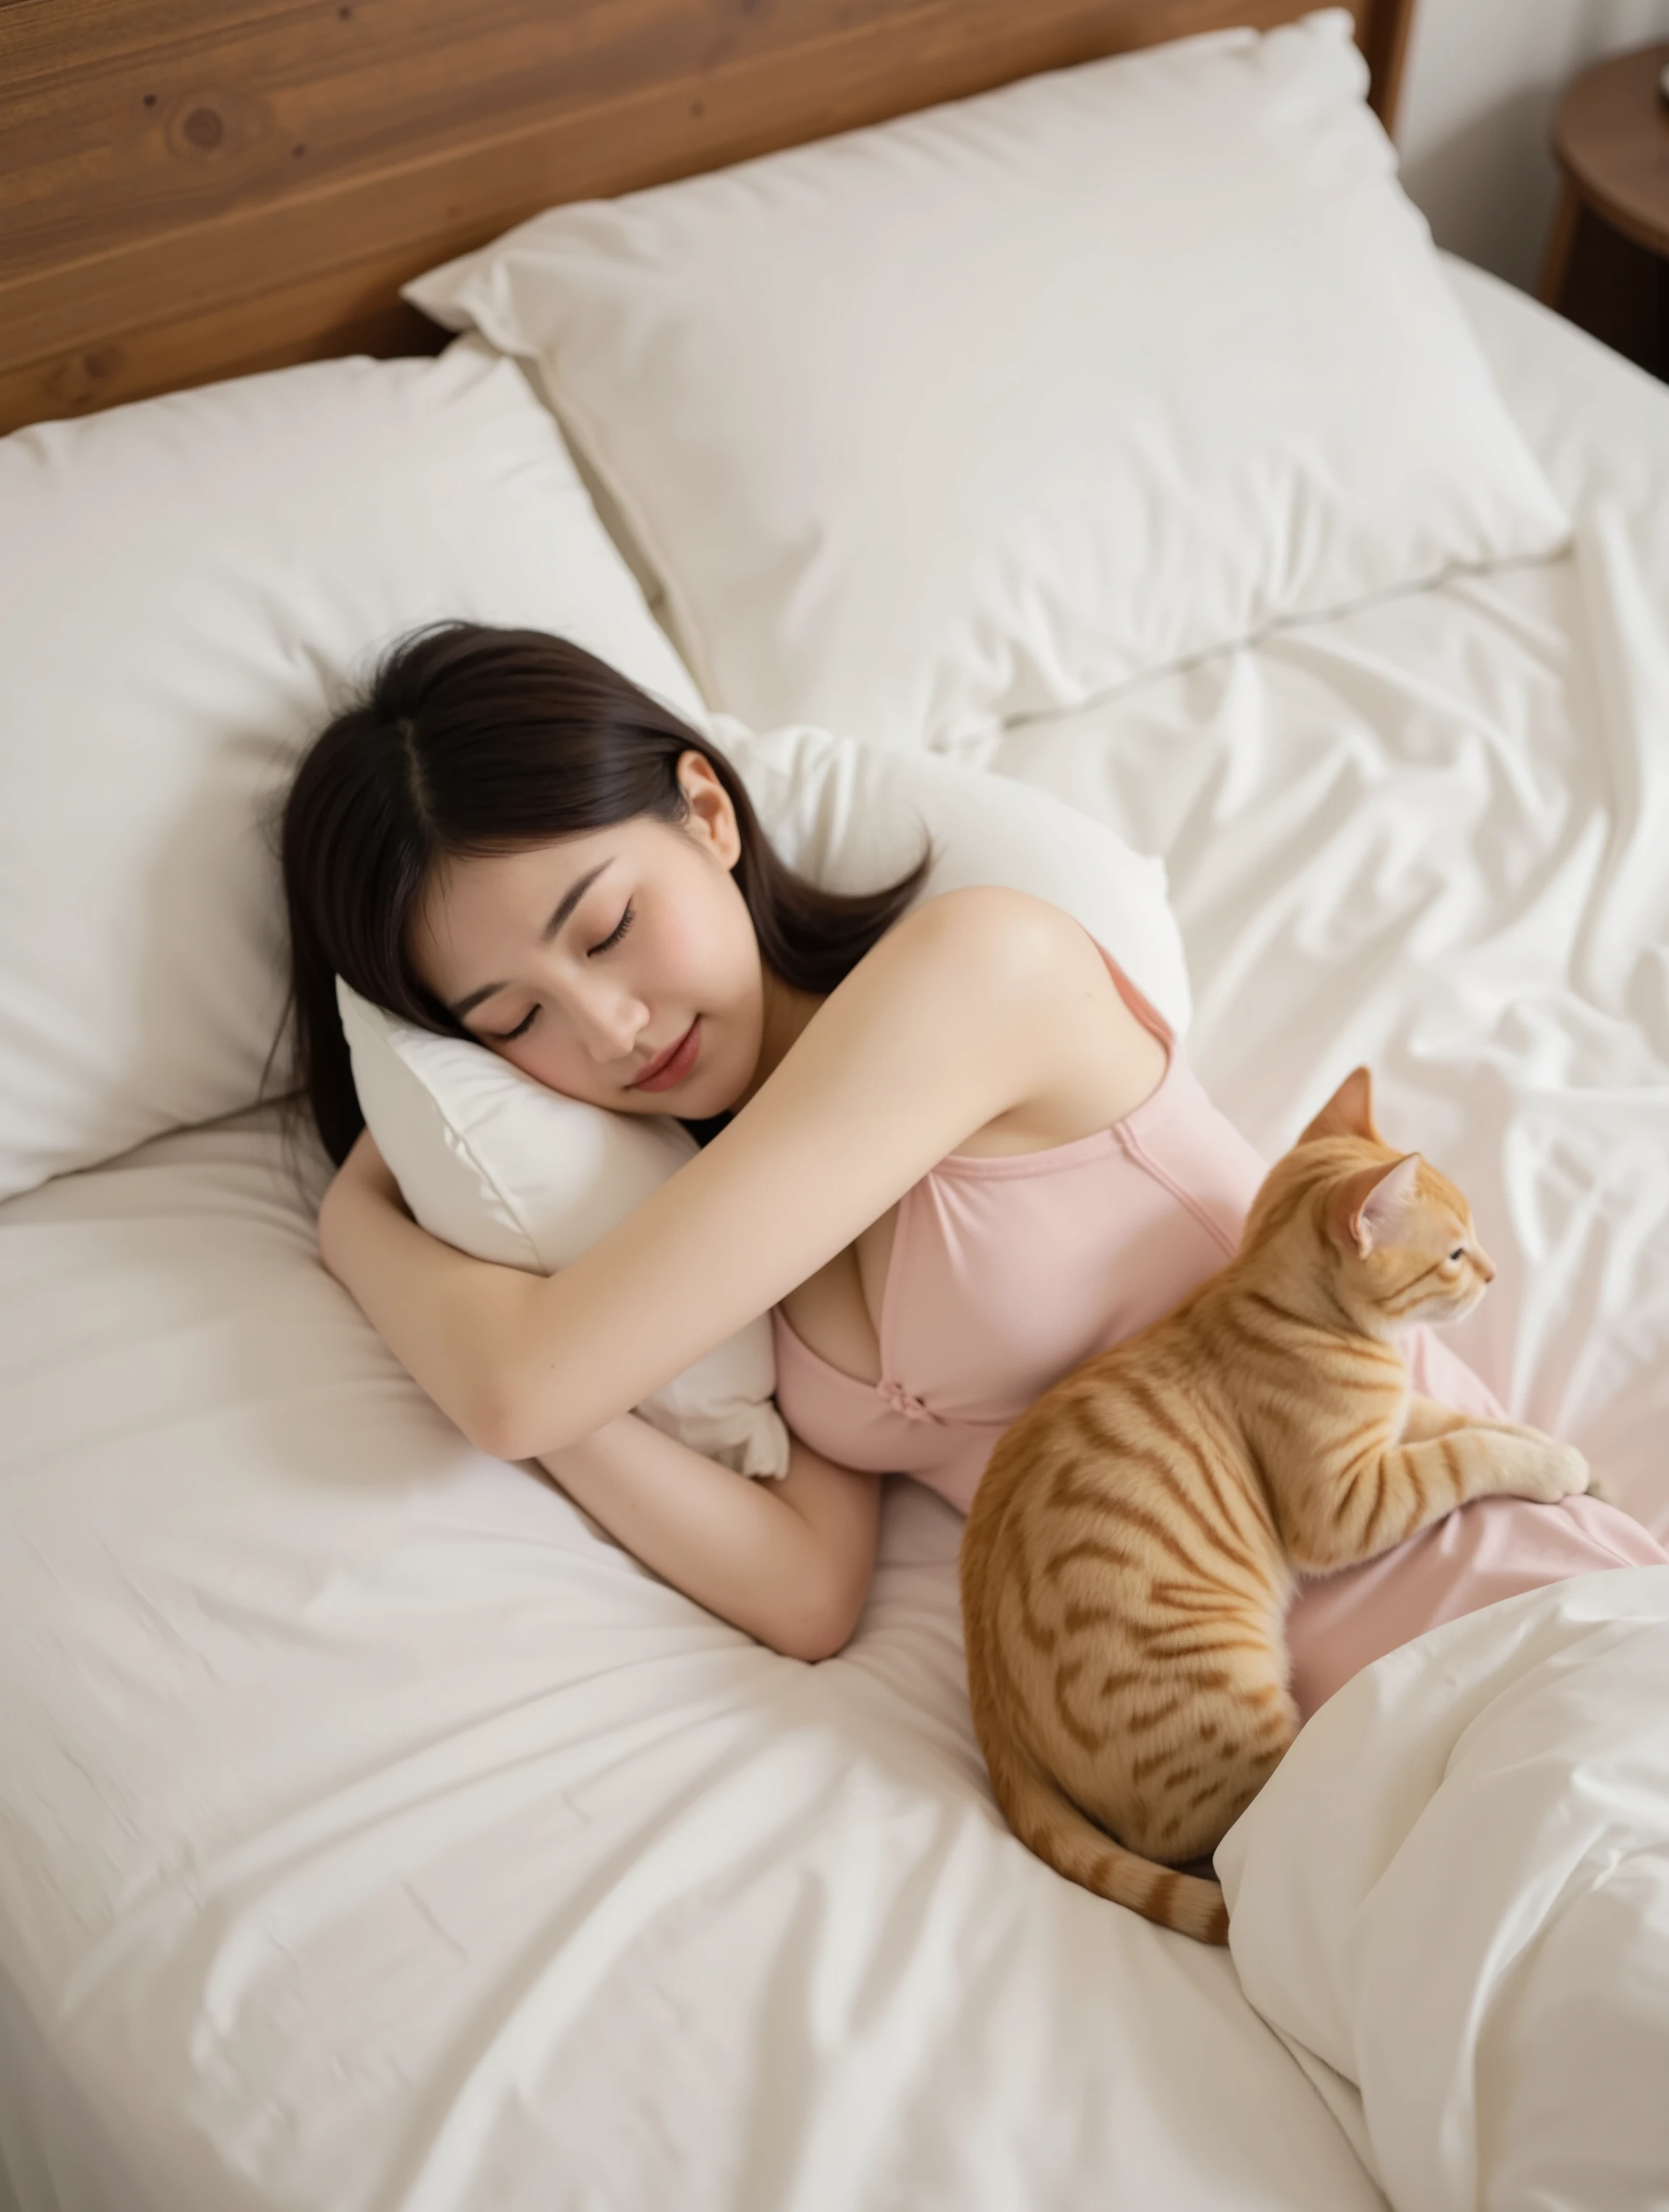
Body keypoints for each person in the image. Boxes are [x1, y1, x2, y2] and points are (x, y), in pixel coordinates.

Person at [288, 622, 1665, 1691]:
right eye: (513, 1021)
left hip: (1499, 1611)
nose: (608, 1027)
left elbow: (524, 1389)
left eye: (606, 931)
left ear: (707, 814)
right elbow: (806, 1594)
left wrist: (358, 1230)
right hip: (1295, 1767)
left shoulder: (973, 971)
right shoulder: (725, 1238)